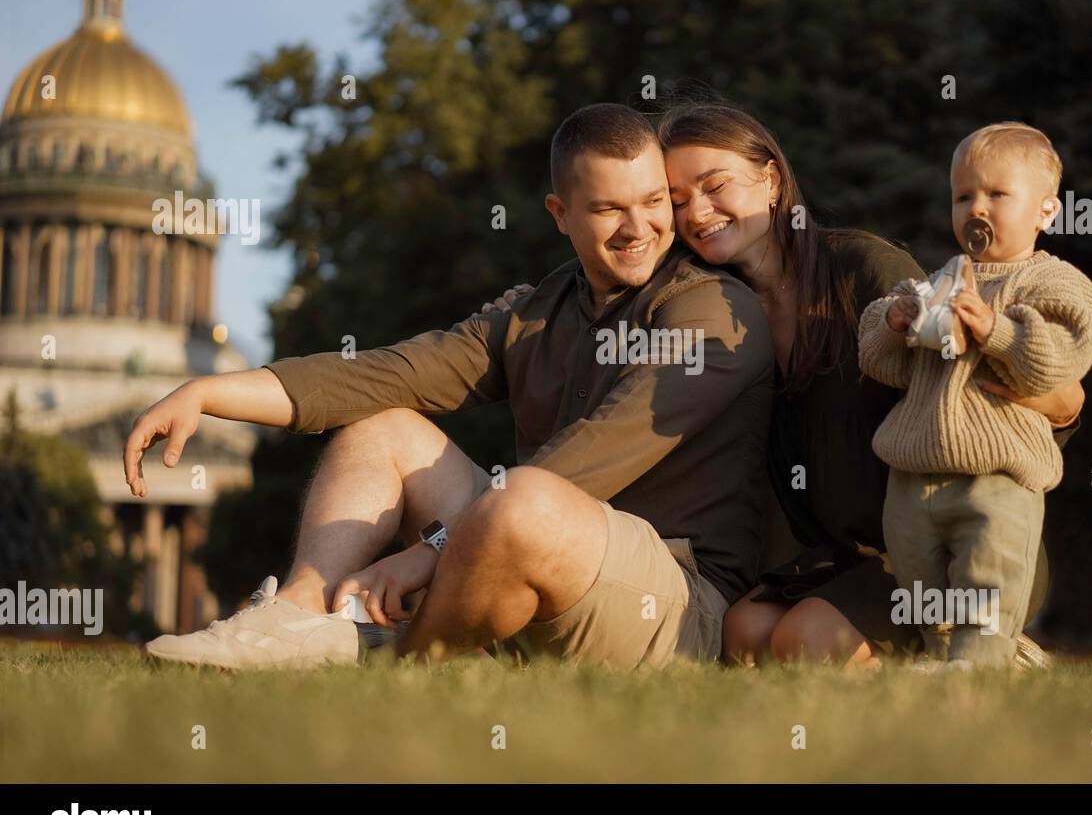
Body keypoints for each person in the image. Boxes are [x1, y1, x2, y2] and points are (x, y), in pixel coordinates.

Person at [124, 103, 773, 670]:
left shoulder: (715, 311)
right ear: (560, 213)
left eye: (655, 202)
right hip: (523, 562)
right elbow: (388, 373)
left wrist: (433, 551)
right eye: (608, 209)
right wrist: (207, 392)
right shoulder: (537, 311)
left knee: (527, 497)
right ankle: (293, 620)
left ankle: (396, 666)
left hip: (678, 602)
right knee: (387, 426)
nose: (639, 229)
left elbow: (593, 454)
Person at [484, 101, 1085, 669]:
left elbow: (967, 382)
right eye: (678, 198)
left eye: (716, 186)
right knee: (742, 636)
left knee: (805, 640)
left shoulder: (862, 272)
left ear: (771, 181)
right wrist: (528, 306)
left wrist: (1060, 404)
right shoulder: (704, 309)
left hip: (941, 542)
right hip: (838, 555)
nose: (697, 212)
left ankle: (989, 654)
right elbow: (598, 290)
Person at [859, 122, 1092, 667]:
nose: (978, 207)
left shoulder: (1054, 283)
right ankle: (952, 658)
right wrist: (894, 321)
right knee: (920, 582)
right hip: (914, 473)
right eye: (963, 196)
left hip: (998, 473)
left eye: (997, 194)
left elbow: (1062, 356)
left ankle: (983, 662)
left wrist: (996, 329)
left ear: (1047, 211)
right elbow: (881, 362)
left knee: (987, 573)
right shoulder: (943, 280)